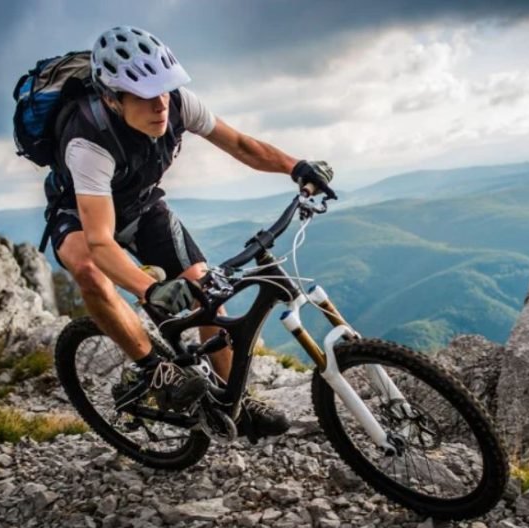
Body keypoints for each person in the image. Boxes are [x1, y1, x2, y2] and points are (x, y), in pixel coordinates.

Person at [47, 26, 334, 442]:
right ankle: (154, 370)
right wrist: (149, 289)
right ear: (113, 98)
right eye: (144, 95)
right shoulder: (88, 142)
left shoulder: (178, 104)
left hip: (143, 206)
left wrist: (297, 167)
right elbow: (100, 241)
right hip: (81, 214)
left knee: (204, 286)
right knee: (89, 271)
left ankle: (234, 398)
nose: (160, 103)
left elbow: (240, 144)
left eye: (164, 89)